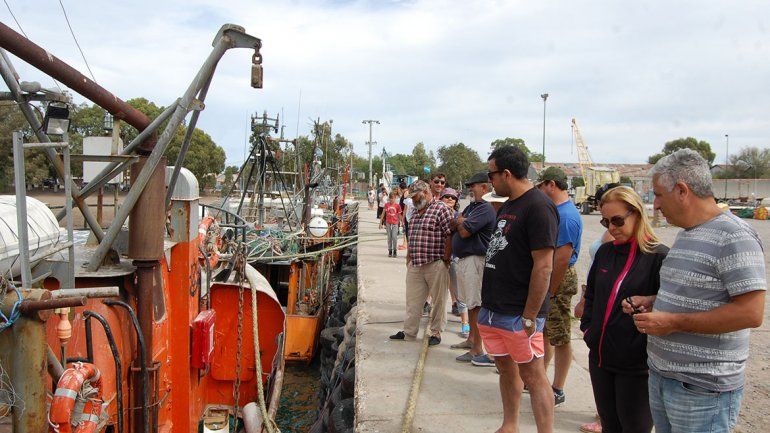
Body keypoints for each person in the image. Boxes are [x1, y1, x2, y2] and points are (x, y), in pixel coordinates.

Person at [628, 149, 766, 433]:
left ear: (681, 190)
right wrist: (654, 302)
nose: (655, 205)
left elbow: (750, 313)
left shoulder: (734, 236)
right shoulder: (687, 233)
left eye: (658, 195)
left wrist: (673, 322)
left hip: (701, 389)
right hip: (665, 376)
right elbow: (693, 294)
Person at [481, 145, 559, 433]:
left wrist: (530, 314)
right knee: (505, 368)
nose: (490, 181)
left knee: (533, 374)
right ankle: (510, 424)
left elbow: (544, 266)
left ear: (507, 173)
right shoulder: (510, 203)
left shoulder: (538, 206)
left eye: (492, 174)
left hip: (518, 313)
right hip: (494, 308)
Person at [580, 186, 668, 433]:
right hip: (600, 359)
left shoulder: (659, 257)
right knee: (610, 426)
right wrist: (589, 331)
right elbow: (593, 296)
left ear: (637, 214)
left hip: (636, 367)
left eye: (617, 220)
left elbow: (669, 308)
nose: (611, 228)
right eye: (605, 222)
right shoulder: (606, 252)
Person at [536, 167, 583, 407]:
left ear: (551, 185)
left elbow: (562, 257)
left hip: (559, 277)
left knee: (561, 334)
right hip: (554, 276)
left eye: (541, 186)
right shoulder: (558, 211)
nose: (540, 191)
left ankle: (558, 387)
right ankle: (541, 378)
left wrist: (550, 290)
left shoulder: (566, 216)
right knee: (546, 331)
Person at [574, 182, 620, 433]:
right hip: (598, 307)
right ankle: (603, 414)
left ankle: (604, 418)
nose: (610, 225)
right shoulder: (609, 235)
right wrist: (585, 300)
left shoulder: (649, 253)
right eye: (604, 219)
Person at [390, 180, 454, 346]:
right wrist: (409, 257)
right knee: (413, 301)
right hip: (416, 264)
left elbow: (449, 235)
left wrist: (446, 259)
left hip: (435, 262)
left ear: (425, 192)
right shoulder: (416, 212)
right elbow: (412, 236)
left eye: (415, 196)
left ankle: (436, 332)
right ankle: (409, 332)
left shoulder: (441, 209)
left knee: (439, 301)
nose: (413, 200)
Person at [448, 172, 497, 366]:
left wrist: (461, 222)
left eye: (473, 185)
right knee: (469, 303)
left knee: (475, 304)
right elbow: (454, 224)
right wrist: (460, 221)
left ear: (484, 188)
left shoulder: (485, 209)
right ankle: (471, 340)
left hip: (475, 260)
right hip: (466, 260)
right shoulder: (473, 208)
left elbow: (465, 230)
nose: (470, 188)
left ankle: (477, 347)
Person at [440, 188, 464, 320]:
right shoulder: (435, 212)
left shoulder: (459, 216)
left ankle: (457, 306)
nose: (450, 199)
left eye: (453, 197)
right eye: (447, 196)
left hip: (455, 254)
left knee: (456, 283)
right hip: (439, 253)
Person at [379, 191, 403, 257]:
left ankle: (395, 250)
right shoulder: (386, 205)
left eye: (393, 198)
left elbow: (399, 215)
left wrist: (402, 222)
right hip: (388, 223)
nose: (392, 200)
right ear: (389, 198)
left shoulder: (397, 206)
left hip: (395, 223)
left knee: (394, 237)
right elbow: (383, 213)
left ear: (395, 198)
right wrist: (380, 223)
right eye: (390, 198)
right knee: (389, 237)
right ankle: (390, 250)